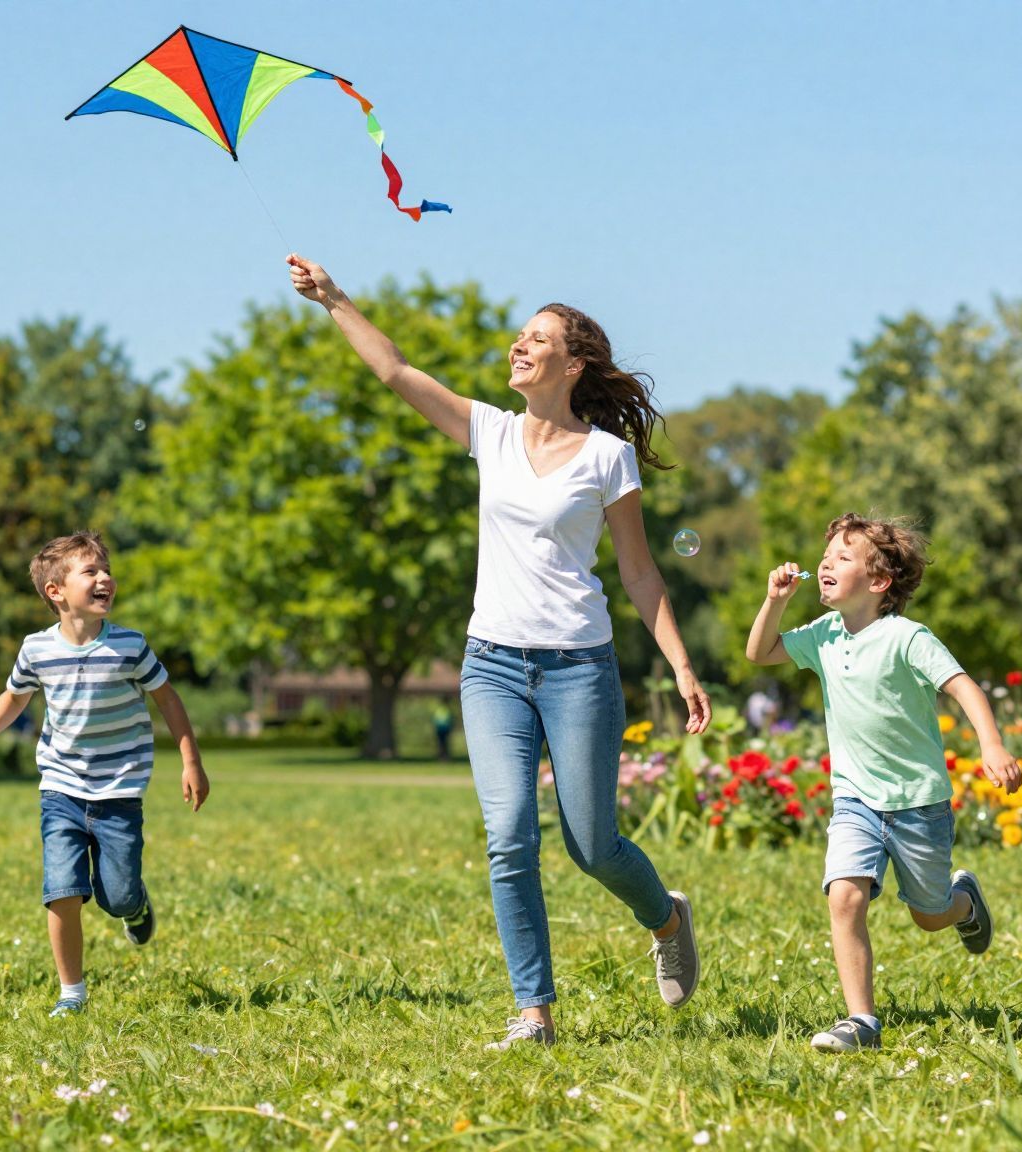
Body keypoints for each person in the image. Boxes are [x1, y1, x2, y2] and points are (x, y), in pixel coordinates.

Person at [289, 254, 710, 1050]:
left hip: (579, 666)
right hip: (491, 665)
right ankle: (534, 1013)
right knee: (508, 830)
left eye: (537, 338)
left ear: (574, 362)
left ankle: (665, 916)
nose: (518, 346)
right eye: (519, 336)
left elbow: (640, 572)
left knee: (592, 845)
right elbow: (396, 371)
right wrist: (334, 298)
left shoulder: (606, 458)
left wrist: (682, 665)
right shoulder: (490, 430)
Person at [744, 513, 1022, 1053]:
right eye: (825, 556)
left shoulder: (907, 638)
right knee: (845, 897)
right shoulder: (822, 636)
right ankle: (862, 1022)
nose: (825, 563)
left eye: (842, 558)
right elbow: (761, 652)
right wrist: (774, 599)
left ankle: (962, 903)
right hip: (855, 800)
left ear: (878, 583)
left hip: (919, 805)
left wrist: (991, 744)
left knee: (928, 914)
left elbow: (963, 687)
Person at [0, 532, 210, 1019]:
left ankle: (134, 906)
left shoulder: (130, 646)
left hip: (119, 789)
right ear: (55, 592)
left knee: (116, 896)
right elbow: (15, 696)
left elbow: (168, 699)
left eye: (106, 570)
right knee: (62, 891)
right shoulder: (36, 649)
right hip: (61, 788)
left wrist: (191, 760)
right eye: (90, 571)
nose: (105, 579)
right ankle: (72, 992)